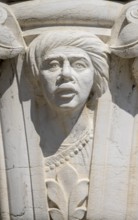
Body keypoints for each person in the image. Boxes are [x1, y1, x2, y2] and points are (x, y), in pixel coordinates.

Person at [27, 29, 109, 220]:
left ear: (96, 77)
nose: (65, 74)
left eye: (79, 65)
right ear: (37, 79)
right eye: (53, 65)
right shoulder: (14, 144)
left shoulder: (112, 145)